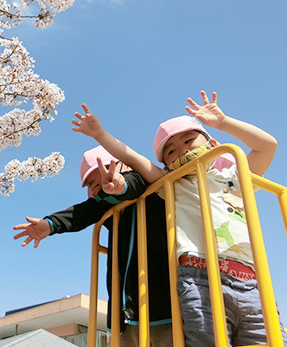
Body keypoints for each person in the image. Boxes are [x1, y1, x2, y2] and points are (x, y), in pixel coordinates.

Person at [71, 90, 287, 347]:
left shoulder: (234, 174)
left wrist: (223, 122)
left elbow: (267, 145)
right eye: (171, 151)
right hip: (199, 276)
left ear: (211, 143)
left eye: (189, 141)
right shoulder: (172, 184)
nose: (182, 150)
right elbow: (132, 157)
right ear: (166, 164)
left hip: (250, 279)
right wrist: (100, 135)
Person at [13, 146, 173, 346]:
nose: (105, 185)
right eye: (95, 185)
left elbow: (132, 183)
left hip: (164, 307)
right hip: (124, 315)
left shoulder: (146, 186)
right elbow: (83, 212)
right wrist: (50, 224)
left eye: (110, 172)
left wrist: (121, 184)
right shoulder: (109, 211)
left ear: (125, 166)